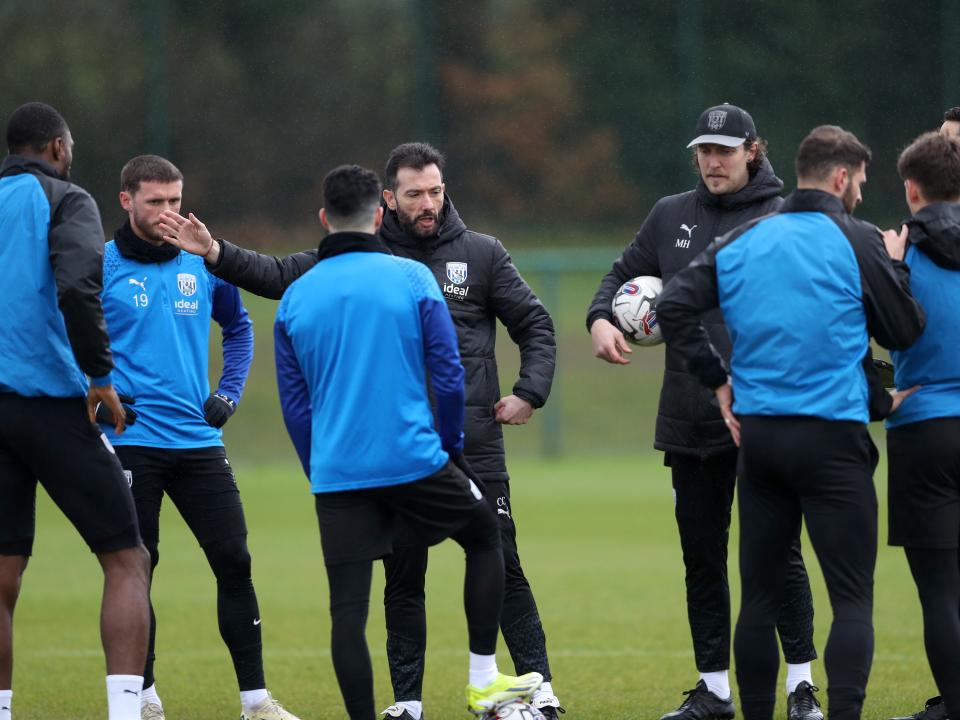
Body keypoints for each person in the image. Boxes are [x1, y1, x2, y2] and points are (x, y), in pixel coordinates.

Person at [157, 142, 560, 720]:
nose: (429, 202)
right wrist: (217, 253)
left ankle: (538, 687)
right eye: (415, 193)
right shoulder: (361, 263)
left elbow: (535, 324)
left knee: (503, 559)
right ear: (386, 202)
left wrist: (529, 391)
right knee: (404, 576)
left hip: (470, 442)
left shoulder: (482, 254)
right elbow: (273, 273)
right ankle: (407, 703)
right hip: (406, 450)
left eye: (437, 190)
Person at [656, 125, 926, 720]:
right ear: (839, 177)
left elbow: (672, 305)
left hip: (763, 442)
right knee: (851, 600)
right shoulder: (856, 238)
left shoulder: (747, 237)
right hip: (832, 439)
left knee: (759, 596)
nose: (859, 191)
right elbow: (902, 331)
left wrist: (718, 380)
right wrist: (898, 268)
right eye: (858, 181)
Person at [273, 163, 542, 720]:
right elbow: (446, 375)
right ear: (380, 213)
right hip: (416, 461)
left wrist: (317, 467)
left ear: (325, 219)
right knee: (486, 535)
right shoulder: (412, 278)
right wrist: (450, 452)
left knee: (347, 610)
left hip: (338, 473)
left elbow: (296, 406)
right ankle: (482, 679)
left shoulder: (298, 296)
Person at [587, 103, 820, 720]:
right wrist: (600, 318)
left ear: (752, 149)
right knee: (702, 558)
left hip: (769, 417)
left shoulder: (783, 214)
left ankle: (802, 688)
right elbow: (619, 275)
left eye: (724, 149)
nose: (712, 161)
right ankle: (713, 691)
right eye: (704, 151)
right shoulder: (670, 215)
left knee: (777, 553)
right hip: (690, 419)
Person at [99, 155, 300, 720]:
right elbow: (71, 341)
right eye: (155, 201)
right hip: (131, 440)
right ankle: (142, 695)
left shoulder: (202, 257)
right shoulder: (103, 265)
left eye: (175, 201)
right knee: (137, 569)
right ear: (126, 200)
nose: (168, 213)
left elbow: (239, 328)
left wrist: (229, 392)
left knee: (234, 560)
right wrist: (102, 390)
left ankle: (256, 702)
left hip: (199, 442)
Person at [0, 101, 150, 720]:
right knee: (126, 558)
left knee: (3, 575)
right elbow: (77, 285)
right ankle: (123, 711)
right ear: (58, 148)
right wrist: (101, 377)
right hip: (52, 406)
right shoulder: (67, 200)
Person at [883, 132, 960, 720]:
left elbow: (887, 331)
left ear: (912, 188)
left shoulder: (900, 254)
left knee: (940, 590)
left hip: (923, 426)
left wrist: (889, 266)